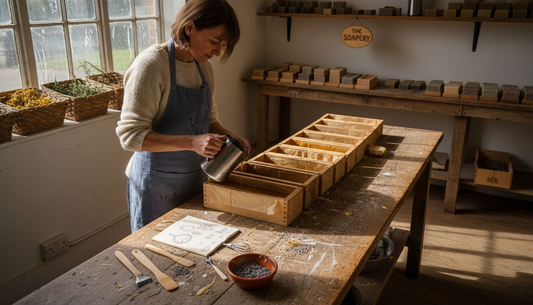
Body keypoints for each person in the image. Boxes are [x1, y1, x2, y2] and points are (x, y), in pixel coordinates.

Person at [116, 0, 250, 232]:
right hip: (154, 186)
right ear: (190, 28)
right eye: (214, 42)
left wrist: (230, 136)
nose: (218, 52)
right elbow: (130, 136)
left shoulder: (204, 67)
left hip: (193, 181)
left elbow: (209, 119)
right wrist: (192, 142)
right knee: (153, 257)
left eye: (223, 45)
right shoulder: (151, 65)